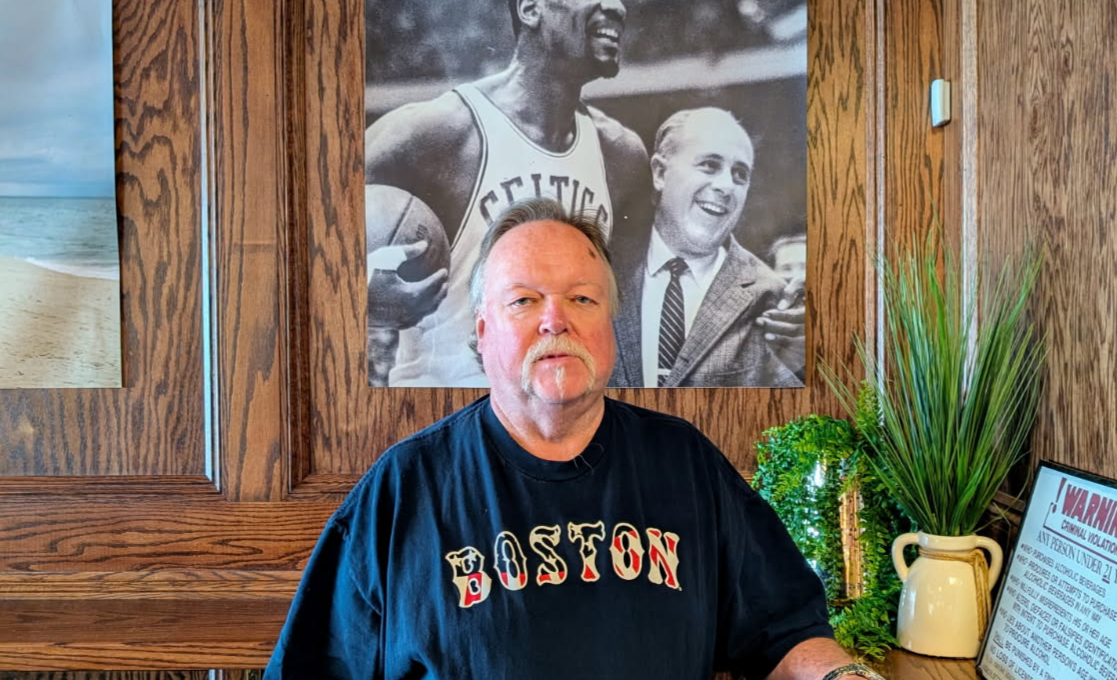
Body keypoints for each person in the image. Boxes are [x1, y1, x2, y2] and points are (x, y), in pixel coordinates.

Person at [264, 199, 884, 680]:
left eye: (582, 298)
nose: (555, 319)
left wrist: (845, 676)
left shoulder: (685, 463)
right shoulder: (403, 488)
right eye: (523, 300)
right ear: (482, 332)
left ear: (611, 325)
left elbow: (786, 633)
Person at [364, 0, 652, 387]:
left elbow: (629, 314)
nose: (617, 7)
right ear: (530, 8)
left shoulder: (622, 155)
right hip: (444, 407)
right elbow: (314, 229)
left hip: (561, 410)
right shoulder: (433, 131)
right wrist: (360, 288)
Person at [609, 108, 805, 387]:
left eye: (740, 174)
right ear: (660, 173)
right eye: (709, 165)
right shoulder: (601, 271)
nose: (726, 186)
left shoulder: (770, 298)